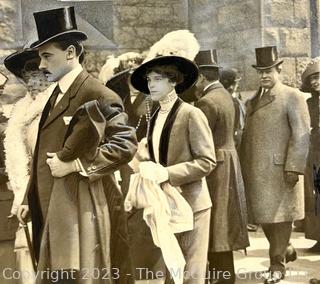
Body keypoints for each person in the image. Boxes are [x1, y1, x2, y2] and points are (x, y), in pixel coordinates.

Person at [16, 7, 137, 283]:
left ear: (70, 53)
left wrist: (77, 163)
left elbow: (125, 144)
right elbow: (42, 152)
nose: (42, 65)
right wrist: (29, 198)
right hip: (52, 211)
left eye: (47, 56)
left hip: (81, 213)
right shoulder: (56, 93)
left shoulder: (96, 92)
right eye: (40, 57)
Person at [129, 55, 216, 284]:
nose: (151, 85)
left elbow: (207, 161)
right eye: (149, 80)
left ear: (174, 81)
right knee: (171, 270)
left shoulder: (191, 113)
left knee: (191, 274)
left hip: (192, 204)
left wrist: (168, 173)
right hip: (164, 203)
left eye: (158, 79)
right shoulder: (155, 116)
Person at [241, 46, 310, 284]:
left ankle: (276, 265)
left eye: (268, 70)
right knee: (265, 218)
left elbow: (301, 135)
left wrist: (294, 167)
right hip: (256, 172)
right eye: (260, 71)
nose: (264, 76)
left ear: (278, 69)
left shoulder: (292, 96)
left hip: (280, 171)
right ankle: (285, 247)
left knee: (280, 218)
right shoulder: (252, 100)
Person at [194, 49, 249, 284]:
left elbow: (199, 139)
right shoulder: (227, 96)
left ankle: (219, 278)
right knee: (224, 223)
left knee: (215, 224)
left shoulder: (206, 102)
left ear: (202, 77)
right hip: (229, 161)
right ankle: (225, 275)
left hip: (215, 167)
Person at [4, 45, 54, 284]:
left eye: (38, 71)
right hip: (23, 194)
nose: (33, 78)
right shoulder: (19, 111)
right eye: (27, 72)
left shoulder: (56, 105)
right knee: (28, 259)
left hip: (51, 194)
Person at [300, 57, 320, 253]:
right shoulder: (310, 103)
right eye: (312, 79)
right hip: (314, 153)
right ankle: (318, 237)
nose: (315, 82)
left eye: (318, 77)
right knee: (314, 195)